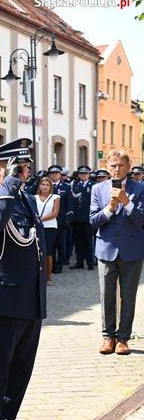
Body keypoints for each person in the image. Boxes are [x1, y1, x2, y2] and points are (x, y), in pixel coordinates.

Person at [0, 138, 46, 420]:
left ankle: (8, 419)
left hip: (29, 297)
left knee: (21, 370)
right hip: (2, 299)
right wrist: (10, 184)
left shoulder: (26, 200)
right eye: (18, 168)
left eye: (25, 168)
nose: (25, 174)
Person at [90, 149, 144, 356]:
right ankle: (108, 337)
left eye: (121, 165)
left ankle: (123, 339)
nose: (116, 169)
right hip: (106, 249)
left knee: (128, 296)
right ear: (106, 167)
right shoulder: (98, 189)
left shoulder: (139, 189)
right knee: (107, 296)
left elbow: (140, 220)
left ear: (128, 167)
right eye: (112, 165)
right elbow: (93, 221)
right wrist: (109, 208)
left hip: (132, 250)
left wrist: (126, 201)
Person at [48, 165, 73, 274]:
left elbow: (69, 204)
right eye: (52, 173)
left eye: (56, 173)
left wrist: (68, 218)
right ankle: (51, 265)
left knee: (61, 245)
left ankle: (59, 266)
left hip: (61, 221)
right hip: (48, 220)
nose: (54, 175)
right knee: (51, 245)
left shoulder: (66, 187)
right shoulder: (45, 186)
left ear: (60, 174)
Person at [35, 177, 60, 285]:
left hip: (50, 227)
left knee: (48, 252)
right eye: (43, 184)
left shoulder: (55, 197)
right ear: (39, 186)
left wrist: (41, 219)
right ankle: (37, 275)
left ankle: (48, 277)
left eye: (47, 185)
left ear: (50, 187)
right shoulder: (34, 197)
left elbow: (55, 213)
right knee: (36, 252)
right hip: (37, 227)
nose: (44, 187)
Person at [70, 166, 95, 270]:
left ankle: (90, 263)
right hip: (77, 218)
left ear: (89, 174)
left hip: (88, 218)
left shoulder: (93, 185)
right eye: (81, 174)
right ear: (79, 174)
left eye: (85, 174)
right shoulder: (74, 184)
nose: (83, 175)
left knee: (88, 241)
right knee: (78, 242)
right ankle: (79, 262)